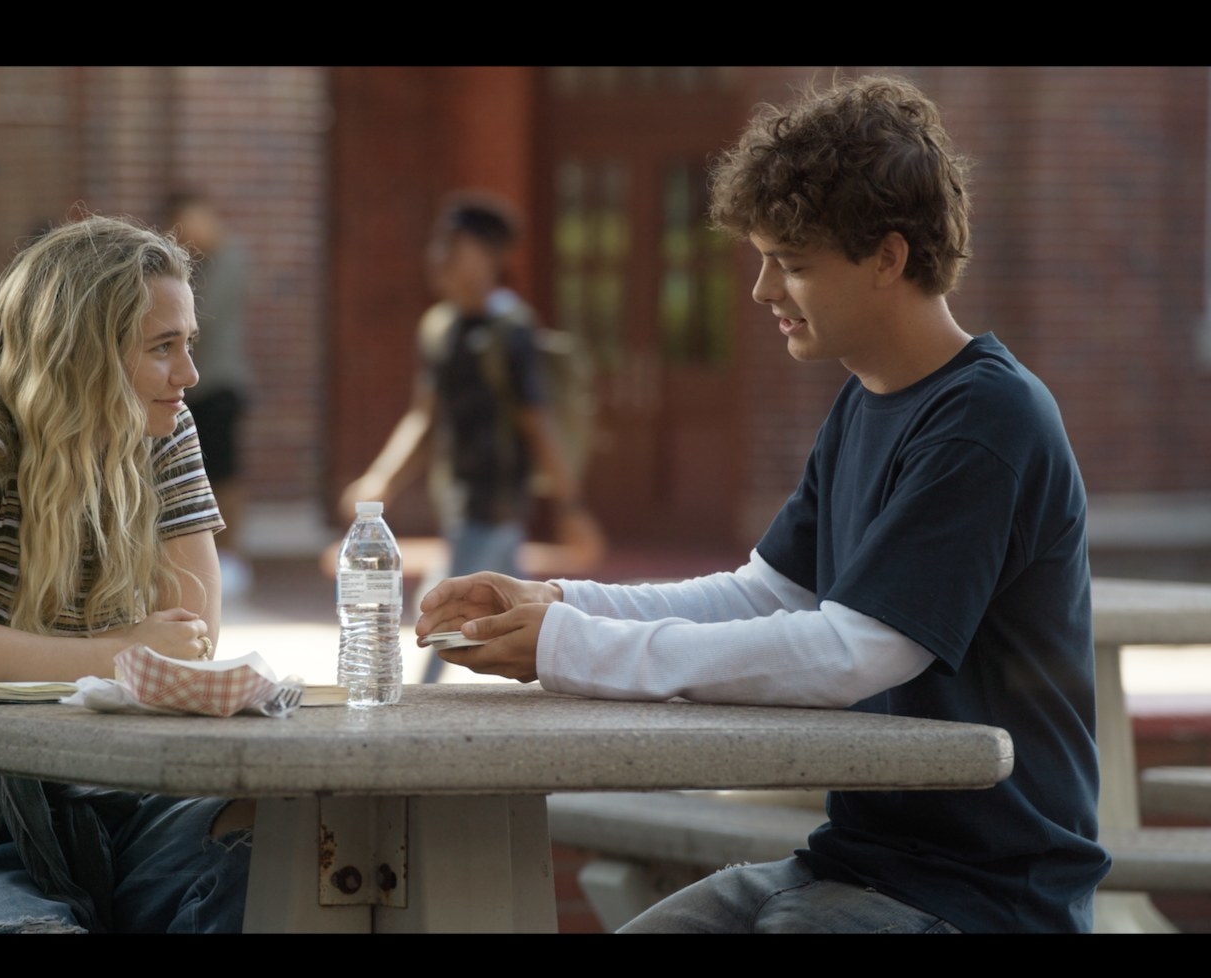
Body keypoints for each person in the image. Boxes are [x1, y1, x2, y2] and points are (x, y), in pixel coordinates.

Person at [416, 75, 1112, 933]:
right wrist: (558, 602)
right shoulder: (865, 398)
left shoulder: (987, 421)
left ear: (888, 257)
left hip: (989, 898)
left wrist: (573, 647)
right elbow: (765, 593)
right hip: (850, 864)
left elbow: (855, 651)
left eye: (792, 264)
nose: (761, 292)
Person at [0, 214, 252, 933]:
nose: (189, 374)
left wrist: (142, 649)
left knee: (287, 858)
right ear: (82, 352)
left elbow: (188, 644)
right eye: (163, 348)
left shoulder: (162, 434)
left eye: (187, 344)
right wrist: (116, 652)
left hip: (120, 810)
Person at [340, 192, 595, 682]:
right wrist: (382, 479)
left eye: (454, 247)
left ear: (490, 257)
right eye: (439, 245)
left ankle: (415, 698)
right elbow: (424, 416)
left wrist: (570, 506)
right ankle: (547, 683)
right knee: (503, 605)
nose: (439, 258)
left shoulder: (512, 331)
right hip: (457, 496)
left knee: (445, 610)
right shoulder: (441, 328)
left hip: (496, 499)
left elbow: (535, 421)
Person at [166, 192, 256, 599]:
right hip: (189, 388)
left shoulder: (229, 260)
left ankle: (233, 554)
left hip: (220, 384)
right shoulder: (191, 266)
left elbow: (202, 318)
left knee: (225, 472)